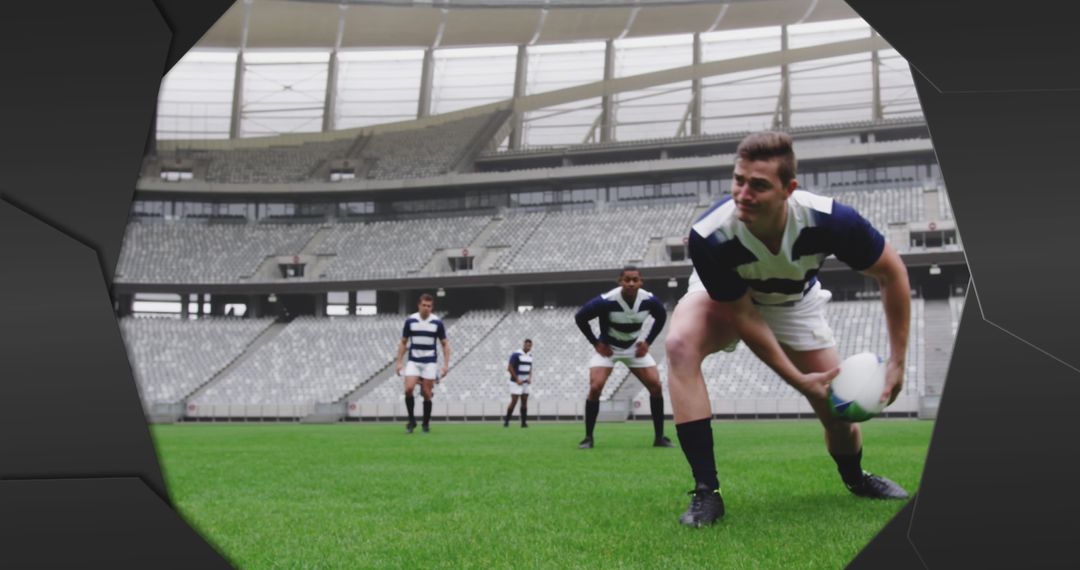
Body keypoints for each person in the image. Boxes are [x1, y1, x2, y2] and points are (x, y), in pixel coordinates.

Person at [666, 131, 911, 527]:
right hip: (729, 301)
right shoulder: (709, 235)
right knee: (679, 345)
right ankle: (706, 491)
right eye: (738, 180)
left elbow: (892, 272)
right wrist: (798, 379)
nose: (743, 193)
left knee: (837, 412)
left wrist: (898, 361)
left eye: (759, 185)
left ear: (788, 189)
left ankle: (855, 478)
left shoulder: (831, 220)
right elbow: (743, 316)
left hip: (794, 304)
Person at [574, 266, 673, 449]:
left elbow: (661, 317)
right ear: (620, 282)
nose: (631, 283)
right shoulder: (607, 301)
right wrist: (596, 343)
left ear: (641, 282)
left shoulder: (649, 300)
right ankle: (588, 438)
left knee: (656, 386)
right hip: (609, 349)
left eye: (635, 280)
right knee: (595, 387)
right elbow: (580, 317)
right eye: (627, 280)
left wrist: (648, 342)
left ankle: (659, 438)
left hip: (633, 349)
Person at [394, 293, 450, 434]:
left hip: (429, 362)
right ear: (419, 305)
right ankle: (412, 420)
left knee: (426, 393)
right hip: (414, 360)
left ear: (432, 307)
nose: (426, 308)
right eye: (424, 305)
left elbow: (445, 344)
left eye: (429, 306)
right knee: (408, 389)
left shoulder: (437, 322)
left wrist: (445, 365)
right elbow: (403, 342)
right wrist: (399, 362)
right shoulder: (410, 321)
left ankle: (425, 424)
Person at [504, 339, 534, 428]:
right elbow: (509, 368)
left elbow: (530, 368)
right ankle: (506, 421)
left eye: (530, 346)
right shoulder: (516, 354)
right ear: (524, 345)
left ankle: (523, 423)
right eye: (527, 345)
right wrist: (517, 379)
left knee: (524, 401)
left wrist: (529, 378)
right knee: (514, 401)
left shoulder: (530, 355)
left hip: (525, 383)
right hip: (515, 382)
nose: (528, 347)